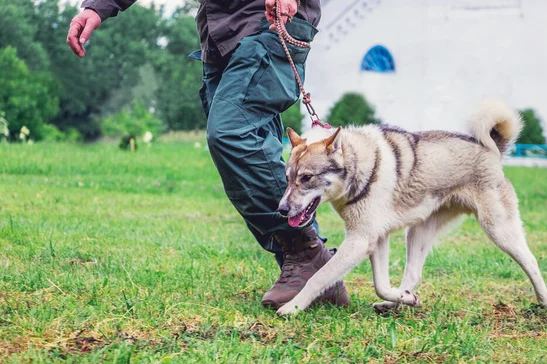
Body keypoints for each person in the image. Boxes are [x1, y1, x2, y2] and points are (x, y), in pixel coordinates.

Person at [67, 0, 349, 310]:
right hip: (220, 34)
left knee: (231, 134)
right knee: (253, 148)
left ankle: (306, 253)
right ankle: (315, 277)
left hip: (266, 20)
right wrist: (98, 7)